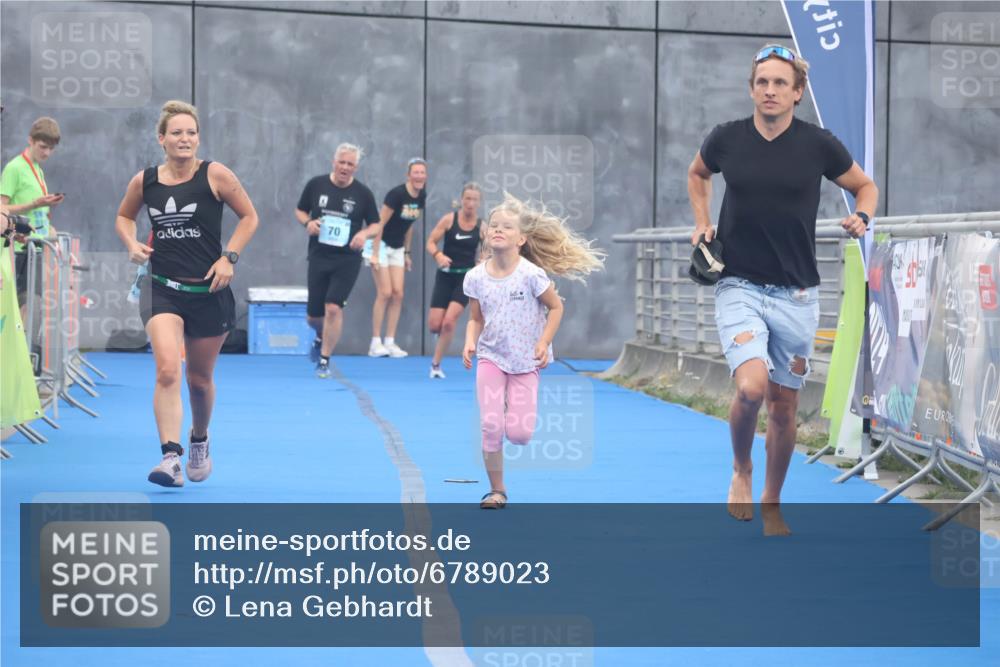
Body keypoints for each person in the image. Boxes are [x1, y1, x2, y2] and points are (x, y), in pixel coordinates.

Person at [687, 44, 878, 535]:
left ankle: (773, 501)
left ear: (798, 92)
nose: (769, 91)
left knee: (784, 405)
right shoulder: (726, 138)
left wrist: (862, 217)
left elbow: (865, 186)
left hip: (796, 292)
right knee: (750, 388)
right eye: (762, 82)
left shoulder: (819, 144)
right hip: (738, 283)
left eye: (780, 83)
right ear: (752, 89)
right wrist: (702, 223)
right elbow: (697, 174)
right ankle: (742, 470)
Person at [115, 100, 259, 487]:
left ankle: (199, 438)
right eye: (176, 132)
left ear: (198, 138)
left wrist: (229, 257)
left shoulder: (215, 175)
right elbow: (124, 216)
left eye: (191, 132)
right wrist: (130, 243)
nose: (185, 139)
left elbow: (250, 216)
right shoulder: (145, 181)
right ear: (161, 139)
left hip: (209, 291)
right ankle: (170, 457)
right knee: (166, 368)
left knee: (198, 380)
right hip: (163, 289)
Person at [463, 194, 604, 509]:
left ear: (521, 239)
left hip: (526, 361)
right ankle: (496, 490)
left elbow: (555, 308)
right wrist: (470, 340)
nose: (499, 230)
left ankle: (509, 410)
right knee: (490, 425)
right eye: (494, 225)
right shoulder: (475, 277)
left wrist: (543, 341)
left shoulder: (531, 275)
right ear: (486, 234)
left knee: (520, 434)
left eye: (507, 227)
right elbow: (475, 319)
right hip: (491, 358)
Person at [296, 143, 381, 378]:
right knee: (314, 316)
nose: (345, 167)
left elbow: (376, 223)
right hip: (319, 256)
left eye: (350, 164)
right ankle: (321, 335)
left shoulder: (363, 194)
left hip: (347, 259)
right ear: (334, 162)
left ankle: (324, 359)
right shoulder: (317, 185)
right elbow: (300, 210)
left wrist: (363, 234)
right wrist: (308, 223)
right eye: (342, 162)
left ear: (356, 167)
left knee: (333, 307)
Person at [1, 117, 65, 322]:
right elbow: (1, 208)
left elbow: (36, 213)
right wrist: (34, 204)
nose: (46, 153)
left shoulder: (38, 169)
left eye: (51, 149)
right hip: (17, 249)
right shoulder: (15, 168)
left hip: (35, 246)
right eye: (42, 146)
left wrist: (48, 225)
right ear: (30, 140)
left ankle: (25, 352)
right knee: (18, 304)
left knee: (30, 303)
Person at [365, 157, 427, 358]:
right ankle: (375, 343)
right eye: (416, 172)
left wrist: (407, 252)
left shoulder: (421, 196)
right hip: (379, 244)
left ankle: (390, 341)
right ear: (408, 175)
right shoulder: (396, 194)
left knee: (398, 293)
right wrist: (374, 254)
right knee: (384, 292)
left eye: (422, 173)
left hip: (398, 247)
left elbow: (409, 225)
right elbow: (379, 223)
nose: (419, 176)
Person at [426, 182, 483, 378]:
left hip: (466, 280)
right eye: (467, 198)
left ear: (479, 203)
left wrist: (482, 262)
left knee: (449, 322)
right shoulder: (449, 220)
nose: (470, 203)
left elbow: (490, 249)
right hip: (445, 275)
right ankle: (439, 334)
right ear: (461, 200)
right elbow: (431, 242)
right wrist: (438, 255)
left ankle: (435, 364)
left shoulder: (481, 226)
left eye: (474, 200)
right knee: (435, 324)